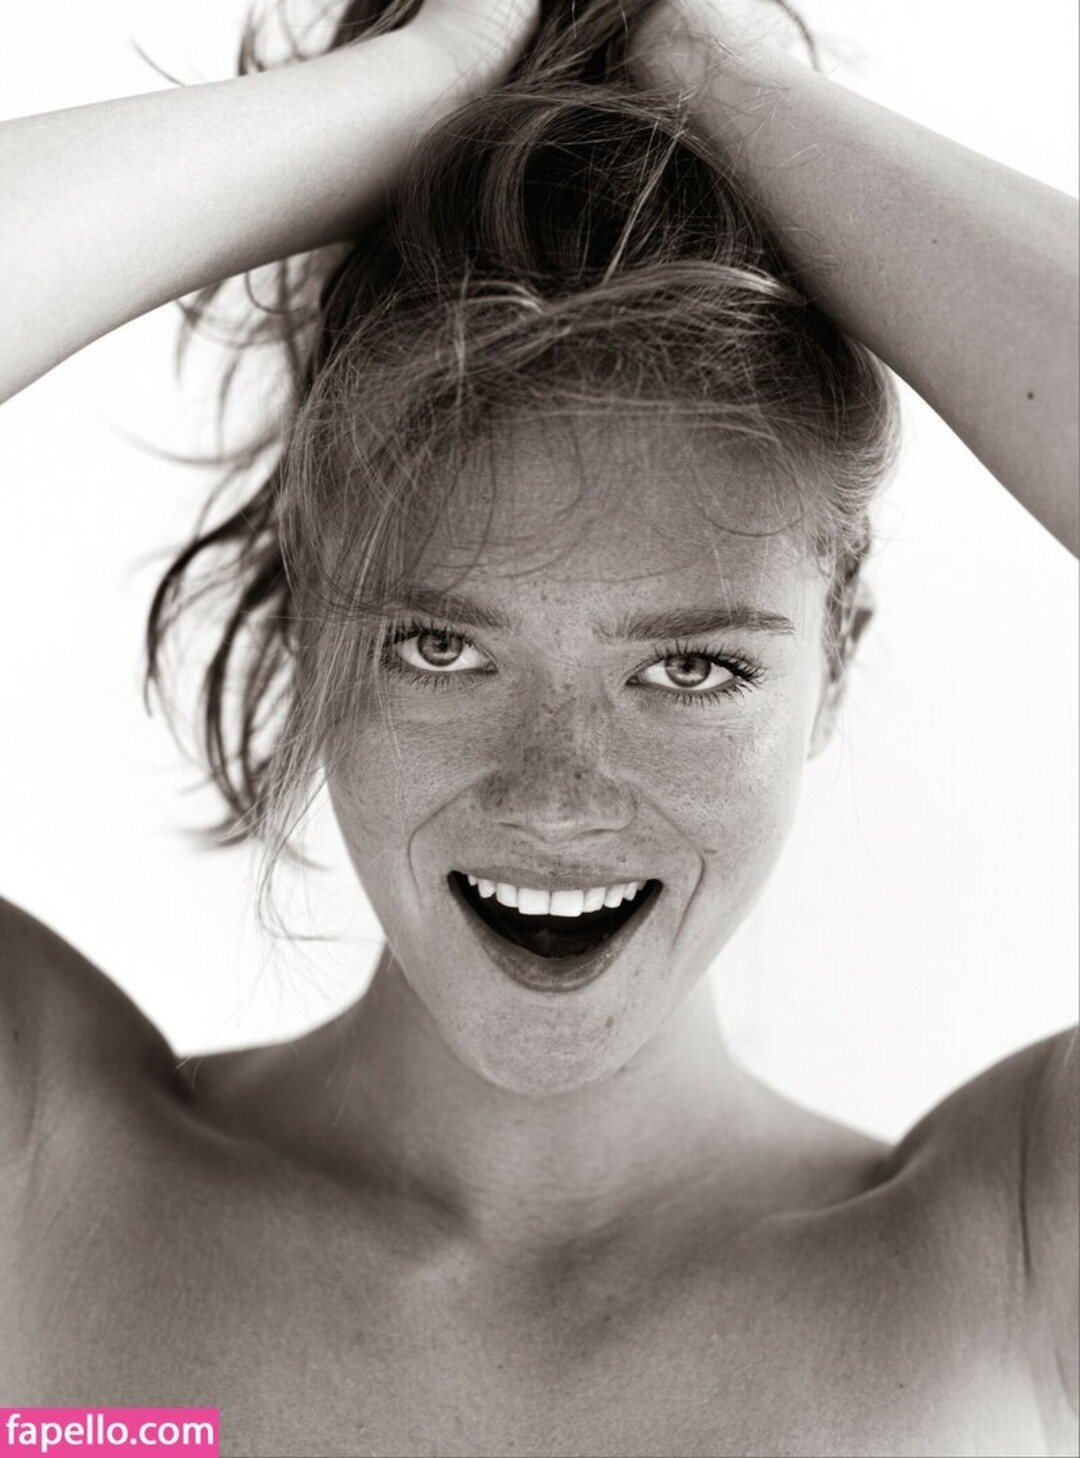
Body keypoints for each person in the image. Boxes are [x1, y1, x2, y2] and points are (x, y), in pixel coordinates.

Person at [1, 2, 1076, 1455]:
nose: (559, 795)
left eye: (691, 668)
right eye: (441, 646)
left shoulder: (1017, 1257)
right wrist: (414, 88)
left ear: (834, 658)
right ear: (311, 626)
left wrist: (714, 76)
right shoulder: (49, 1182)